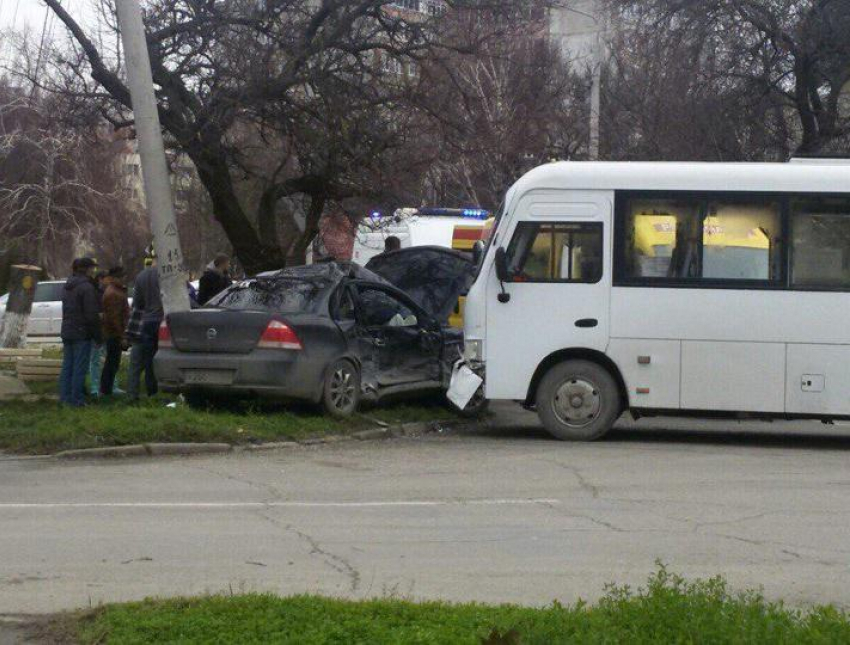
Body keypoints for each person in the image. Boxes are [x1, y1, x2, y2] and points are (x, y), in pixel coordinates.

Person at [59, 258, 100, 407]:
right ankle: (77, 400)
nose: (93, 271)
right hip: (82, 332)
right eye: (92, 268)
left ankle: (65, 398)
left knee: (67, 366)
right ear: (86, 269)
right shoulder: (86, 287)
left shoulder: (67, 286)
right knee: (79, 368)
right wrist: (97, 335)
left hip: (67, 330)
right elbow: (91, 314)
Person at [127, 253, 164, 401]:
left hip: (146, 322)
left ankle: (148, 392)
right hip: (162, 320)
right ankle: (155, 392)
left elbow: (137, 303)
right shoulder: (165, 276)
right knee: (158, 358)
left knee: (147, 359)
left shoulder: (141, 276)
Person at [100, 267, 130, 396]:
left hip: (112, 332)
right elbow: (114, 317)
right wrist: (122, 335)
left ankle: (106, 390)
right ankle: (106, 391)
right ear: (115, 278)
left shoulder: (114, 291)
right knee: (112, 363)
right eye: (122, 277)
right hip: (113, 333)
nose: (124, 279)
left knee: (112, 363)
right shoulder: (114, 293)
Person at [87, 270, 107, 396]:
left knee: (104, 358)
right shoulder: (95, 293)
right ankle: (95, 386)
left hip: (104, 329)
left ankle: (102, 385)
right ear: (100, 279)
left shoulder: (104, 292)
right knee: (95, 359)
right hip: (97, 330)